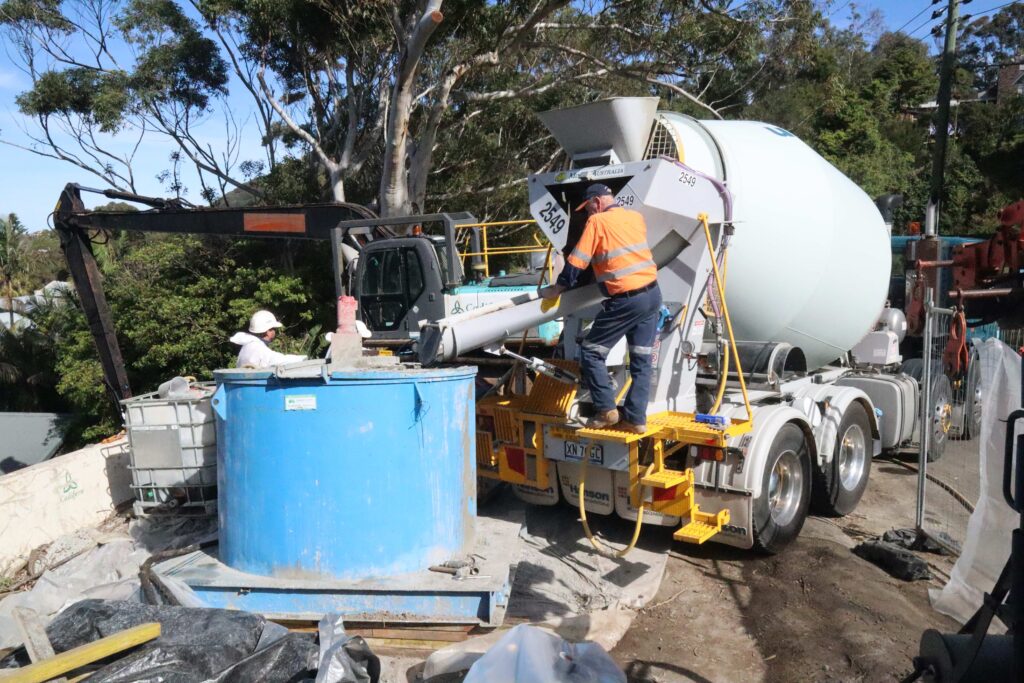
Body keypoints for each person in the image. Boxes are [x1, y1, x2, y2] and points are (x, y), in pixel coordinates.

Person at [539, 183, 662, 432]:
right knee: (640, 359)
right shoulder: (635, 217)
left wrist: (558, 288)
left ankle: (606, 410)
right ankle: (636, 419)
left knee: (592, 352)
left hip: (627, 299)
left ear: (596, 202)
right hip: (652, 295)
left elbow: (577, 261)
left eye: (588, 209)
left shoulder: (597, 223)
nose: (588, 214)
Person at [230, 310, 306, 368]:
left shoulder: (247, 346)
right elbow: (277, 360)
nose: (275, 332)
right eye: (273, 329)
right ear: (268, 331)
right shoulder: (258, 348)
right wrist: (303, 359)